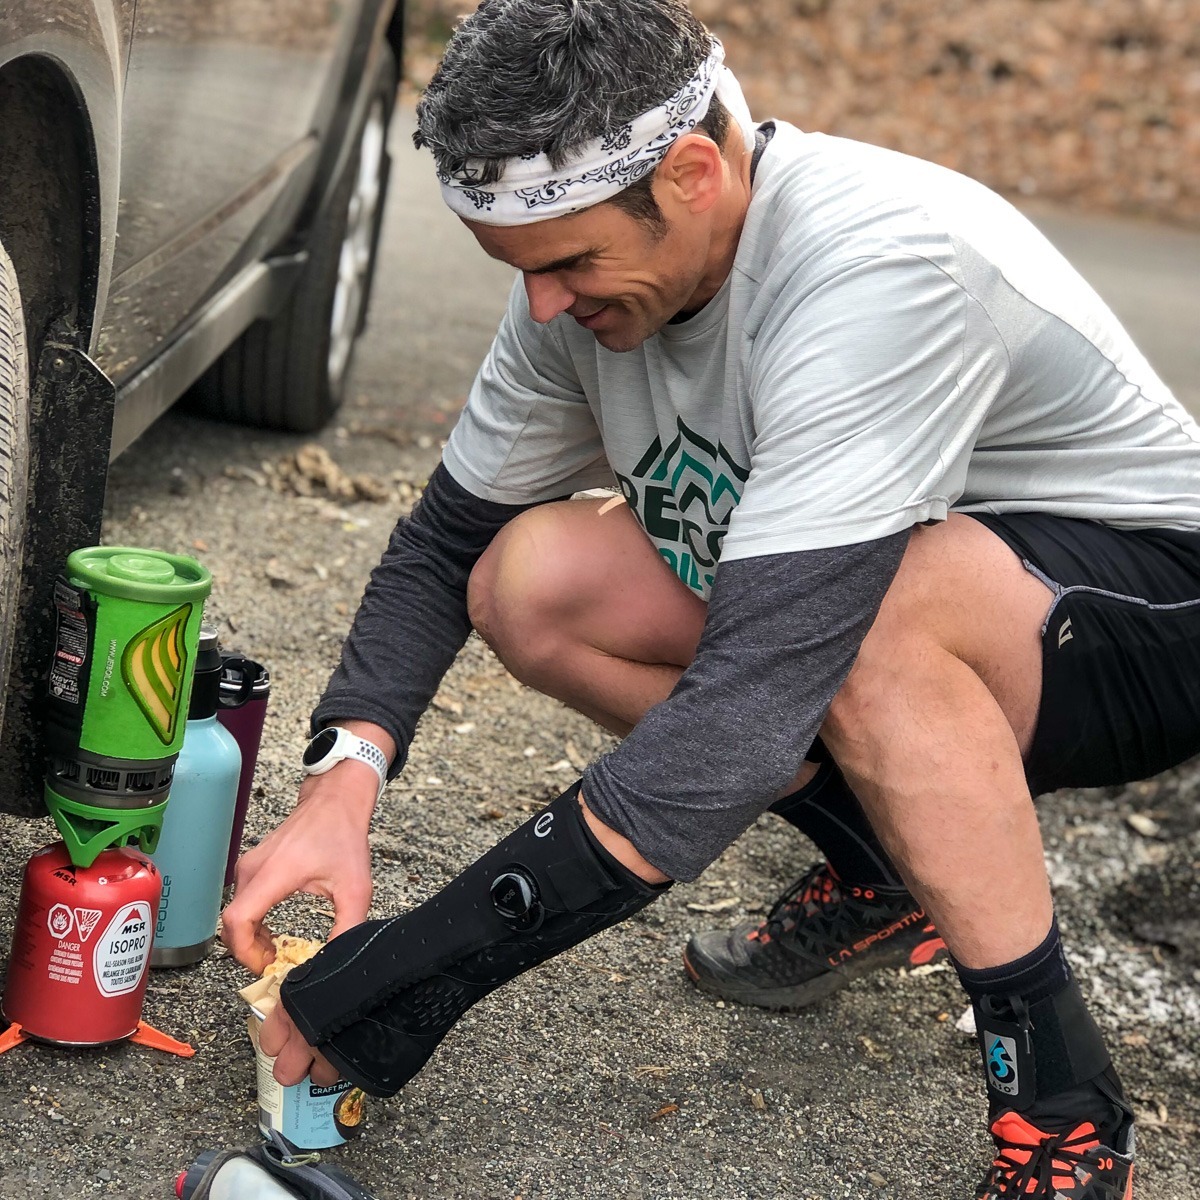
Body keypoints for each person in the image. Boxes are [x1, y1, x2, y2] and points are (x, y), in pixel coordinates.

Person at [220, 1, 1200, 1195]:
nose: (542, 307)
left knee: (874, 619)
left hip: (1144, 612)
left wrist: (411, 979)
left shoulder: (880, 265)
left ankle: (1066, 1117)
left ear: (693, 172)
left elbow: (744, 711)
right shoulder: (578, 291)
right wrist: (341, 786)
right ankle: (886, 872)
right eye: (521, 269)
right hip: (899, 600)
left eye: (572, 263)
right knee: (532, 583)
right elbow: (442, 548)